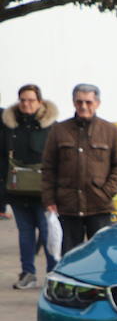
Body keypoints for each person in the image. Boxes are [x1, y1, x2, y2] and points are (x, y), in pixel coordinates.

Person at [41, 84, 117, 254]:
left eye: (88, 102)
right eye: (79, 102)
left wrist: (106, 192)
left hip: (99, 207)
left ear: (97, 103)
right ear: (73, 103)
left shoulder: (111, 131)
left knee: (102, 255)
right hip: (67, 207)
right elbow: (48, 168)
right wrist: (49, 200)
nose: (83, 106)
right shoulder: (59, 131)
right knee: (70, 256)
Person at [1, 84, 60, 288]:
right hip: (17, 190)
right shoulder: (9, 125)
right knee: (25, 233)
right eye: (23, 100)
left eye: (31, 100)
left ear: (40, 102)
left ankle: (53, 273)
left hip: (43, 191)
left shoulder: (52, 127)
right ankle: (28, 273)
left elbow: (58, 159)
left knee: (47, 232)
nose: (26, 104)